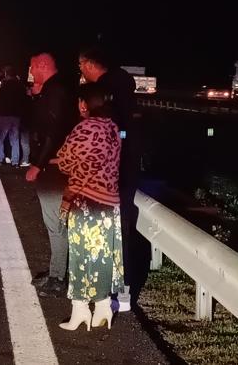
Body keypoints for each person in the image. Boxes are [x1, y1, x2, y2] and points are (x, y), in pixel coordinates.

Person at [78, 45, 148, 310]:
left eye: (81, 66)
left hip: (109, 175)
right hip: (127, 169)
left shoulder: (104, 97)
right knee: (122, 230)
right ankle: (123, 292)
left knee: (107, 232)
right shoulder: (124, 87)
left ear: (89, 64)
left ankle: (111, 293)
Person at [54, 82, 124, 331]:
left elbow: (64, 161)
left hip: (86, 200)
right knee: (102, 255)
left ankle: (81, 310)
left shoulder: (86, 128)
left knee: (81, 256)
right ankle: (103, 308)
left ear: (84, 104)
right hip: (109, 202)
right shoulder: (112, 128)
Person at [25, 53, 80, 297]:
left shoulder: (56, 90)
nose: (30, 72)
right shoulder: (52, 89)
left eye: (32, 67)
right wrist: (37, 96)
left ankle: (58, 278)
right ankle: (56, 271)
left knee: (56, 224)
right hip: (54, 164)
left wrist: (38, 164)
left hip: (55, 167)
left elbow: (53, 131)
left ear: (43, 66)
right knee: (56, 223)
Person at [0, 66, 26, 168]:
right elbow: (23, 100)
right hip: (16, 115)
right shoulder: (20, 85)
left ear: (6, 74)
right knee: (15, 140)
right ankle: (15, 161)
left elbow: (0, 99)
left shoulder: (5, 84)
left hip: (4, 114)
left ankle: (0, 159)